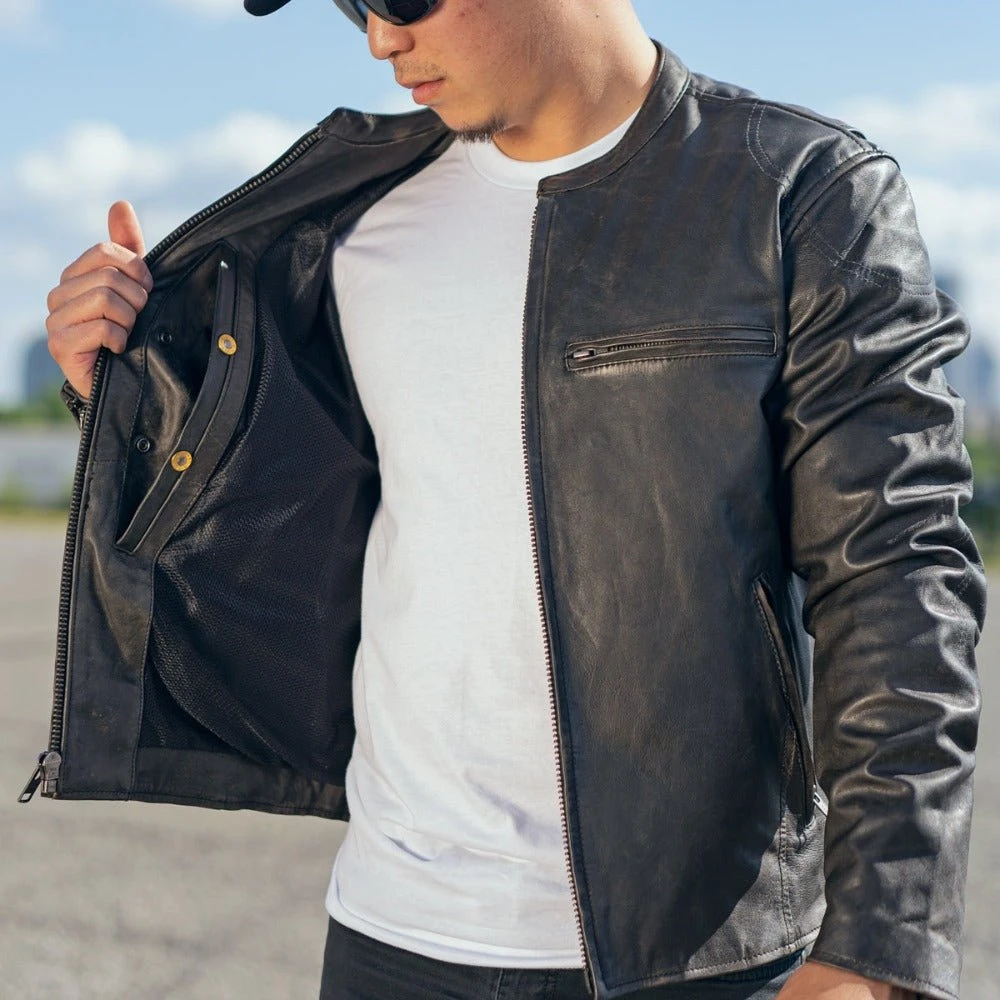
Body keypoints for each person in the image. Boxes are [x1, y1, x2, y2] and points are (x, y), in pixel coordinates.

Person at [34, 1, 985, 998]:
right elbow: (267, 503)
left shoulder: (799, 191)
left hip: (700, 954)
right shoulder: (349, 217)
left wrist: (876, 947)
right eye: (350, 3)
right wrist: (126, 385)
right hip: (390, 935)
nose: (378, 38)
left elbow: (895, 574)